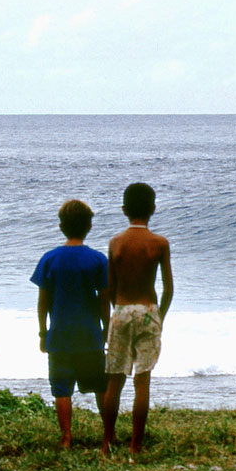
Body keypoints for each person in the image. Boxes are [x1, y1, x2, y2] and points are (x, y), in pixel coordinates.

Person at [31, 199, 110, 449]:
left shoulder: (49, 258)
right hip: (89, 334)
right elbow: (104, 302)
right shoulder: (97, 260)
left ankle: (66, 436)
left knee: (61, 388)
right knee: (99, 385)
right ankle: (108, 434)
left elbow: (42, 302)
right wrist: (106, 330)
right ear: (89, 227)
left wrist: (43, 332)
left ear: (60, 226)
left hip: (60, 335)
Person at [102, 183, 173, 455]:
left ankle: (107, 443)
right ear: (153, 209)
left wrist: (116, 309)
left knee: (115, 380)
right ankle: (135, 445)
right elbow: (168, 287)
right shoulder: (159, 243)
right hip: (148, 311)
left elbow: (109, 285)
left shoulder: (115, 242)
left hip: (120, 311)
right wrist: (160, 316)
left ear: (123, 210)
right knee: (142, 381)